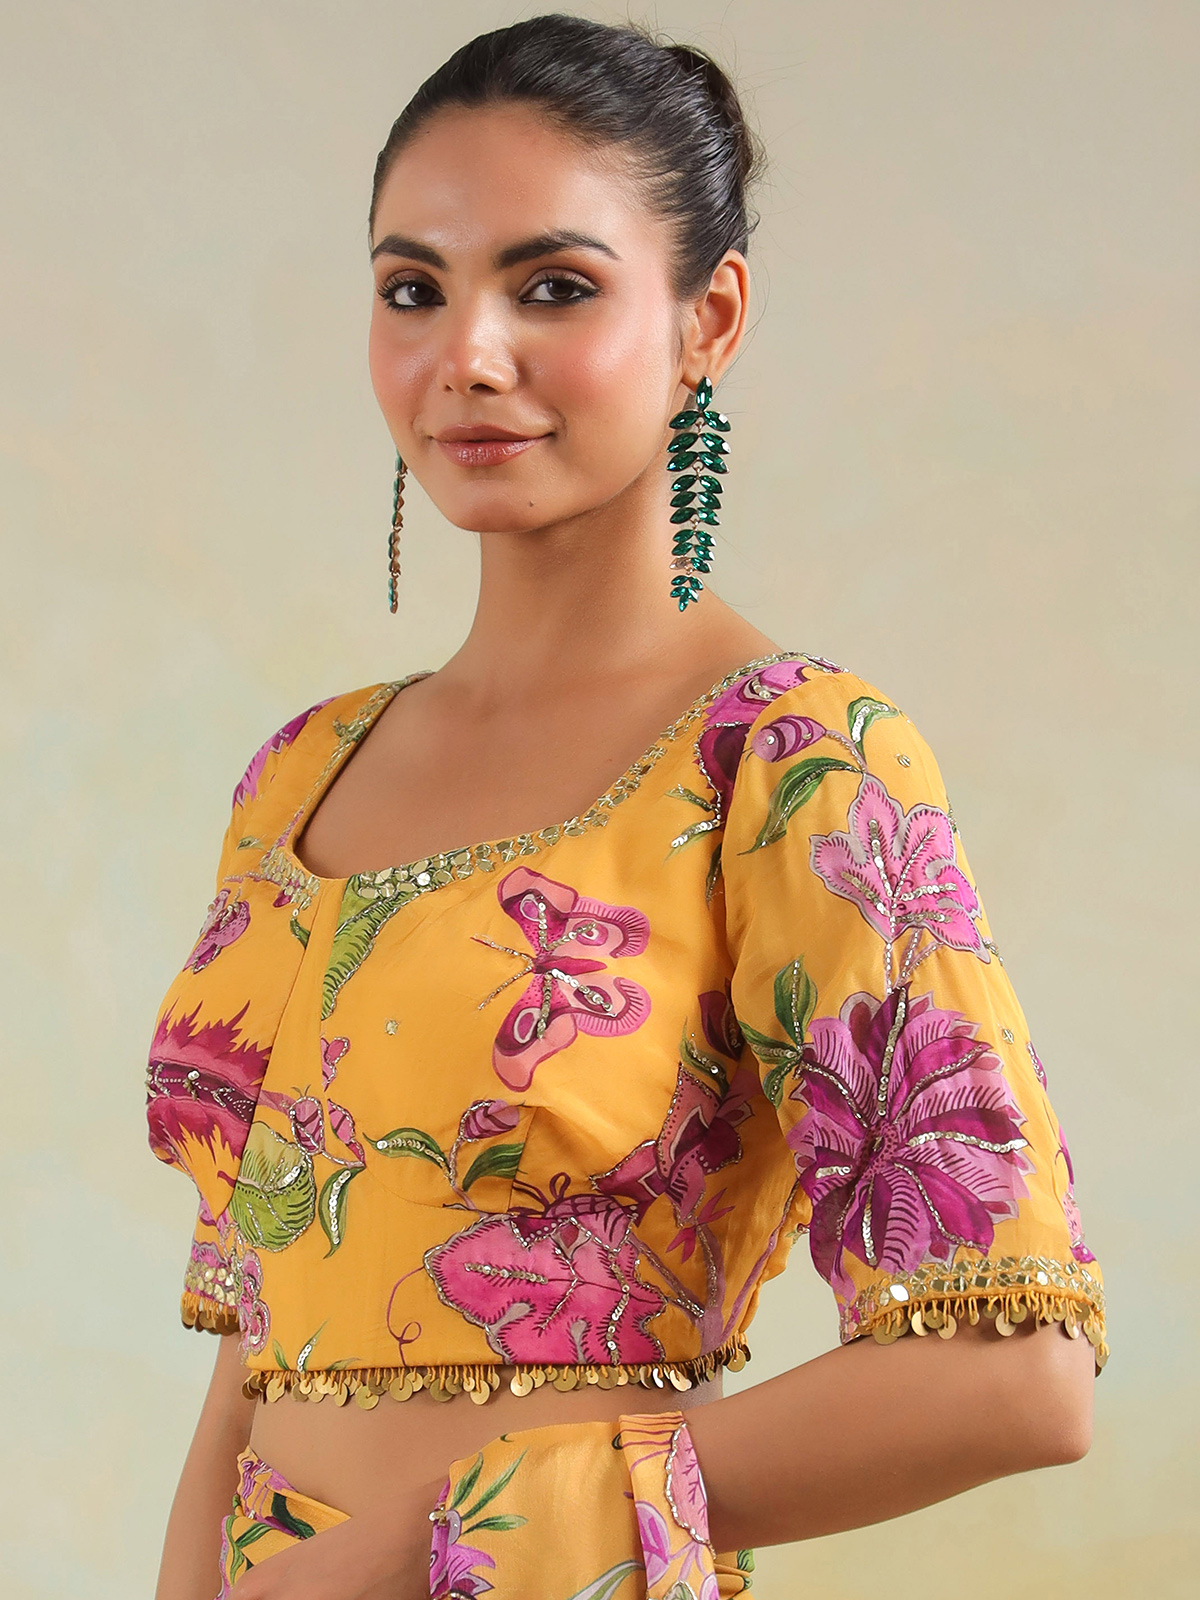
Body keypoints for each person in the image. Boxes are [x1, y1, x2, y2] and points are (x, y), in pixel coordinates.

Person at [147, 15, 1105, 1599]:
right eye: (413, 289)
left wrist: (443, 1540)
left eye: (553, 288)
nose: (469, 354)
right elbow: (253, 1364)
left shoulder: (789, 762)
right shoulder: (300, 775)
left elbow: (1014, 1376)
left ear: (707, 319)